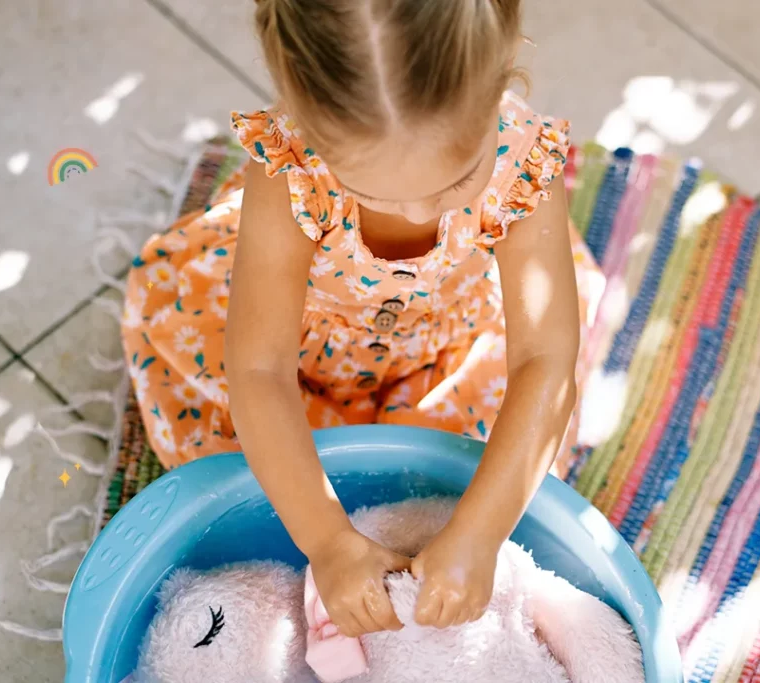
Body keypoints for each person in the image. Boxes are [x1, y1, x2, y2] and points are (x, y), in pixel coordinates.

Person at [120, 0, 601, 641]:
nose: (417, 209)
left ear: (503, 73)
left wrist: (480, 535)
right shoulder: (287, 172)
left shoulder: (522, 165)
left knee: (474, 484)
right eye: (373, 194)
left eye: (457, 180)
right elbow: (259, 370)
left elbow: (543, 360)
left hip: (444, 352)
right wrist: (327, 541)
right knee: (237, 465)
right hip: (304, 359)